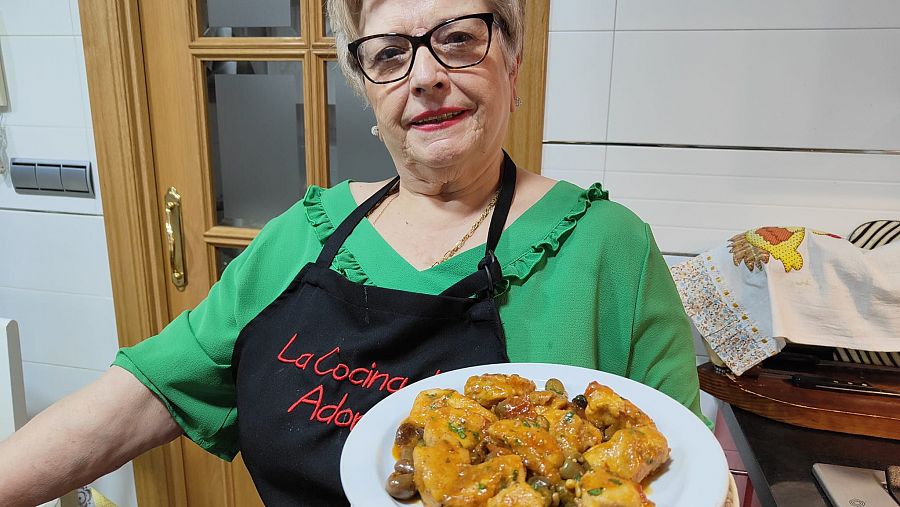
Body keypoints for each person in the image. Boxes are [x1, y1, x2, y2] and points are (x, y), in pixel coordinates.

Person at [0, 0, 706, 505]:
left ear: (513, 63)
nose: (424, 76)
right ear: (366, 89)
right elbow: (136, 398)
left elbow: (689, 475)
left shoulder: (610, 247)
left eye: (459, 38)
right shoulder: (301, 235)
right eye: (389, 55)